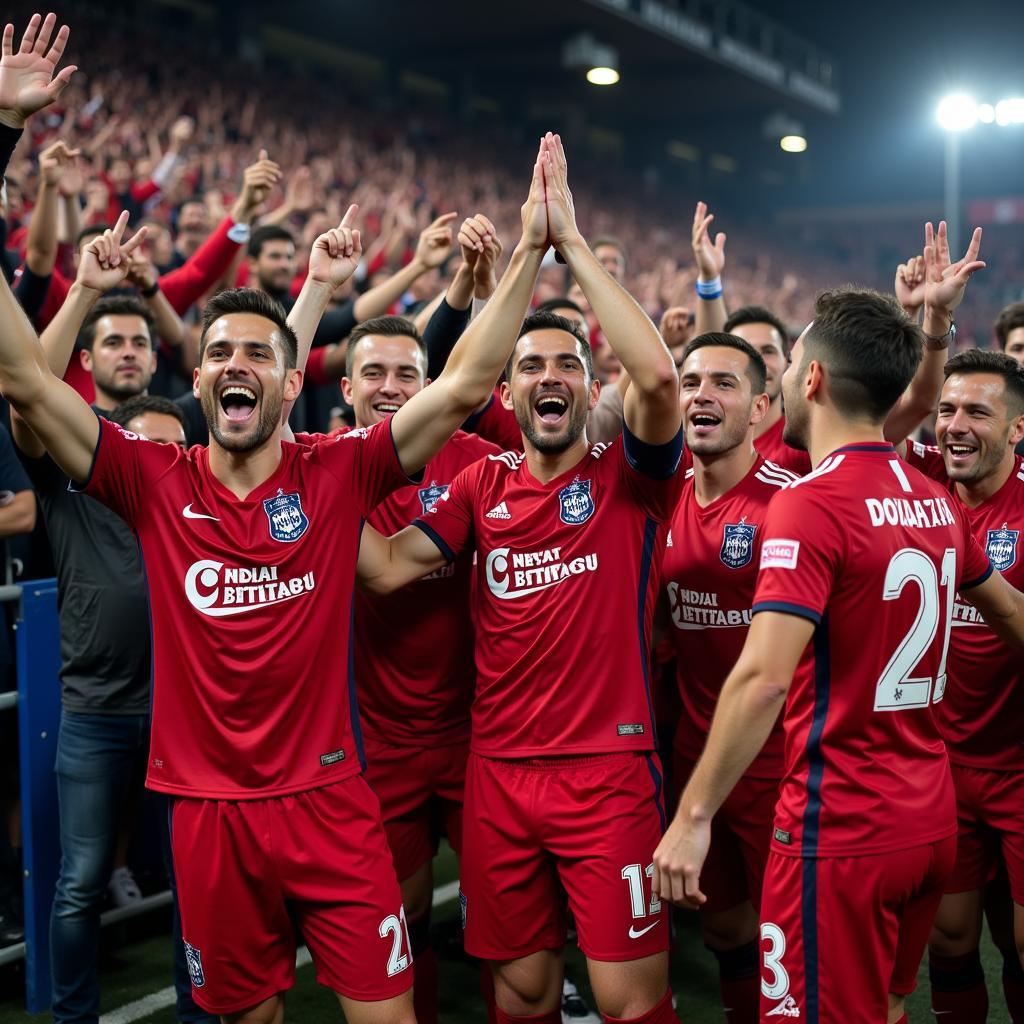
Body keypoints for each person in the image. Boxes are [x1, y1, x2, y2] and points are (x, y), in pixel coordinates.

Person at [0, 35, 556, 1011]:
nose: (235, 365)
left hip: (336, 804)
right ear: (199, 370)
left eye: (259, 351)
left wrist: (530, 251)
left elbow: (466, 380)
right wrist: (1, 134)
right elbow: (21, 375)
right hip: (209, 816)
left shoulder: (339, 466)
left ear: (292, 375)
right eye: (217, 351)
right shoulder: (147, 475)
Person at [358, 134, 683, 1024]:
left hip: (607, 774)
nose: (547, 377)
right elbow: (386, 569)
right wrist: (297, 487)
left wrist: (565, 244)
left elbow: (655, 375)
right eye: (530, 364)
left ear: (587, 390)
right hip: (497, 773)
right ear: (515, 387)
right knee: (525, 990)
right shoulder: (478, 485)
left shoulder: (630, 479)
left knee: (626, 998)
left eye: (566, 366)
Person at [653, 264, 1024, 1023]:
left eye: (788, 367)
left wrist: (691, 817)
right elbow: (1014, 615)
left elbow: (762, 680)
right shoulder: (934, 500)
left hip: (840, 826)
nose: (783, 381)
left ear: (813, 377)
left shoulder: (809, 504)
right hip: (929, 820)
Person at [299, 313, 500, 1024]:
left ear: (431, 382)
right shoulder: (317, 468)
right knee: (405, 917)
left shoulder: (478, 463)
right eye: (375, 374)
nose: (390, 389)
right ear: (346, 385)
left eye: (407, 374)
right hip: (375, 737)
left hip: (479, 734)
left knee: (505, 921)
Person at [663, 331, 797, 1023]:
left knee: (790, 954)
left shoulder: (790, 504)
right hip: (696, 753)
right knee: (725, 931)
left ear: (761, 408)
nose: (702, 396)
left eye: (723, 383)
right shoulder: (664, 500)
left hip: (781, 763)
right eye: (690, 382)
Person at [898, 350, 1024, 1022]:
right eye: (946, 410)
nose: (955, 426)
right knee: (948, 940)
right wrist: (932, 326)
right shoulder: (917, 481)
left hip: (1020, 766)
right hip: (943, 765)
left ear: (1017, 429)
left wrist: (986, 586)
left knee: (1021, 942)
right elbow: (879, 419)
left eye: (978, 411)